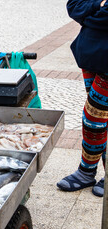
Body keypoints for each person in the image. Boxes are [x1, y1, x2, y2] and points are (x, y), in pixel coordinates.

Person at [57, 0, 108, 197]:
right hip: (90, 54)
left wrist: (88, 18)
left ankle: (87, 171)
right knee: (99, 119)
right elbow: (74, 6)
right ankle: (88, 171)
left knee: (93, 118)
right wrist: (99, 5)